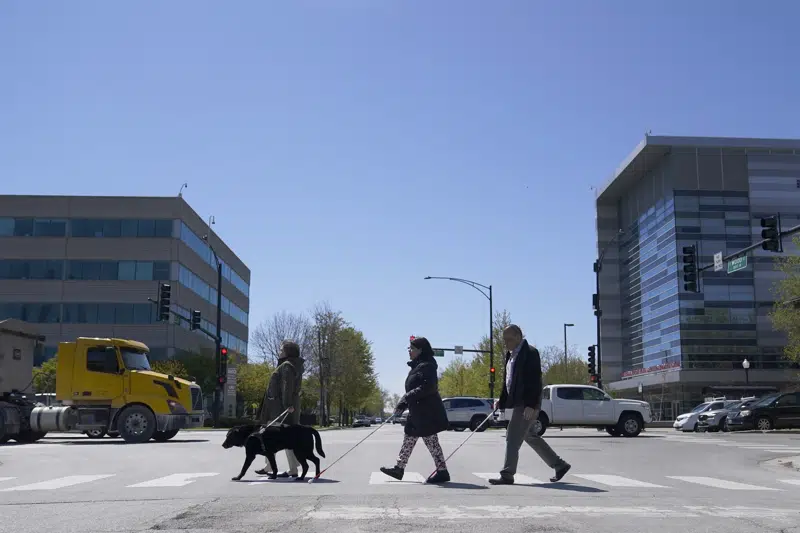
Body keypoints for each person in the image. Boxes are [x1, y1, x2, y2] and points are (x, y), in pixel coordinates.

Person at [489, 324, 571, 485]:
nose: (506, 343)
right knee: (529, 435)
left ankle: (507, 474)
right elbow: (509, 381)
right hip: (519, 401)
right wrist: (502, 400)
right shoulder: (510, 355)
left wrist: (531, 405)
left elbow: (534, 380)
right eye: (504, 339)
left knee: (512, 436)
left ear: (518, 337)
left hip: (527, 402)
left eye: (509, 339)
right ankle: (560, 465)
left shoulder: (530, 353)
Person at [380, 336, 450, 484]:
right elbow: (413, 389)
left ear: (420, 350)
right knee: (409, 439)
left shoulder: (428, 365)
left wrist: (406, 397)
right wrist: (403, 404)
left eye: (412, 349)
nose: (409, 351)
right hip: (416, 412)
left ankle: (442, 471)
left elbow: (428, 387)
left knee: (432, 442)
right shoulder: (417, 366)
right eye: (409, 349)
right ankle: (399, 468)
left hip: (427, 413)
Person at [256, 339, 305, 478]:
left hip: (280, 410)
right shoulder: (291, 365)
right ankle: (286, 467)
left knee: (271, 437)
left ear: (287, 352)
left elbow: (286, 386)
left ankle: (274, 466)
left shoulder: (287, 366)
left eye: (281, 349)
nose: (279, 351)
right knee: (285, 438)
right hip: (282, 408)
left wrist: (287, 404)